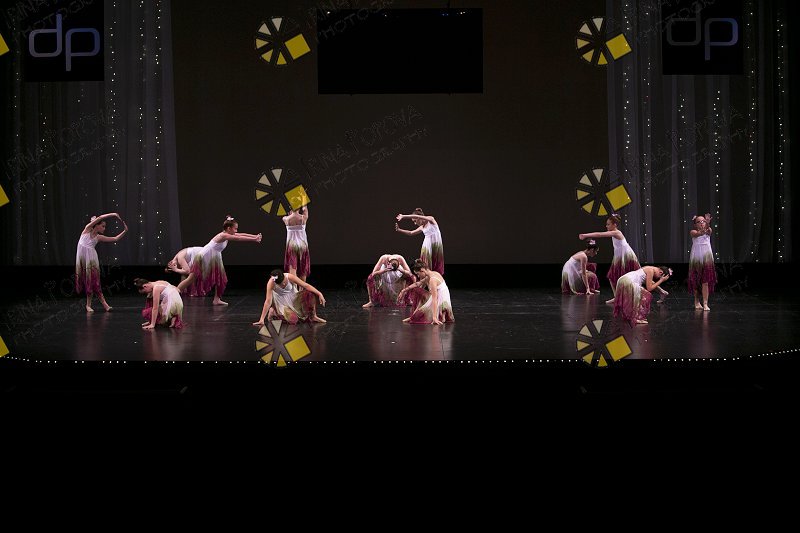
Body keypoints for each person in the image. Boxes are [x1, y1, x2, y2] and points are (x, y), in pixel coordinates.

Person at [579, 213, 667, 303]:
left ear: (615, 225)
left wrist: (585, 235)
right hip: (619, 258)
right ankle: (616, 297)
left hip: (627, 258)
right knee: (611, 276)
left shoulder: (617, 233)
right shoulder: (614, 233)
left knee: (643, 277)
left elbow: (600, 234)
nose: (606, 226)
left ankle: (662, 292)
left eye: (608, 224)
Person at [177, 216, 262, 305]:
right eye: (235, 229)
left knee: (220, 278)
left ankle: (216, 299)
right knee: (191, 278)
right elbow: (239, 238)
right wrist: (254, 239)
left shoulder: (228, 234)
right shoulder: (223, 235)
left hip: (214, 257)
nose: (236, 231)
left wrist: (255, 236)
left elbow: (240, 235)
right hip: (204, 256)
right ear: (228, 228)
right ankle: (176, 291)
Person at [75, 212, 128, 312]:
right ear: (97, 225)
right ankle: (90, 305)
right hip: (83, 259)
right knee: (87, 281)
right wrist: (113, 214)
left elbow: (115, 238)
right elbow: (100, 217)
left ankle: (102, 305)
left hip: (91, 260)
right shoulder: (87, 230)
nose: (104, 228)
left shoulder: (98, 237)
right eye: (103, 226)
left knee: (94, 282)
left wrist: (125, 231)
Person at [253, 269, 327, 326]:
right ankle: (273, 312)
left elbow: (306, 285)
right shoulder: (271, 283)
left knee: (310, 294)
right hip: (281, 303)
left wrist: (319, 293)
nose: (281, 285)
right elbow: (268, 301)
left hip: (293, 297)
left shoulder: (289, 277)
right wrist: (262, 319)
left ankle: (313, 316)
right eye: (278, 284)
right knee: (293, 320)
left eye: (281, 283)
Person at [397, 259, 454, 325]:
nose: (418, 276)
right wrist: (403, 290)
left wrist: (434, 317)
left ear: (422, 270)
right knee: (417, 290)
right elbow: (417, 284)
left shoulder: (432, 280)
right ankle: (440, 314)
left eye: (418, 274)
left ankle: (439, 314)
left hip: (441, 301)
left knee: (419, 315)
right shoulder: (433, 273)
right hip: (442, 298)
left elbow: (435, 299)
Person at [395, 208, 444, 275]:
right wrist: (399, 230)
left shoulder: (431, 220)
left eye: (415, 221)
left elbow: (417, 216)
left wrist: (404, 216)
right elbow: (411, 233)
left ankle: (435, 277)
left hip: (435, 246)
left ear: (419, 218)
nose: (415, 223)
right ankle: (426, 276)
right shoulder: (422, 227)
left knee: (435, 262)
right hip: (427, 246)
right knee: (426, 264)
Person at [688, 213, 716, 311]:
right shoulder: (693, 232)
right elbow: (699, 234)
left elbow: (708, 231)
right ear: (695, 224)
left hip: (706, 257)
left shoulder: (708, 230)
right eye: (699, 222)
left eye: (703, 221)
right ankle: (696, 301)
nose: (701, 223)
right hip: (696, 258)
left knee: (705, 281)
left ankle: (705, 303)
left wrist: (707, 224)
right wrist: (704, 227)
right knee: (696, 280)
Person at [283, 206, 310, 281]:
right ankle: (301, 287)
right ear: (299, 208)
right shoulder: (303, 218)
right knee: (303, 267)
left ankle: (294, 287)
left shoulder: (285, 219)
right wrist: (304, 204)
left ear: (290, 207)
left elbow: (288, 215)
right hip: (302, 245)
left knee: (292, 266)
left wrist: (290, 213)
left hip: (291, 245)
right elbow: (305, 208)